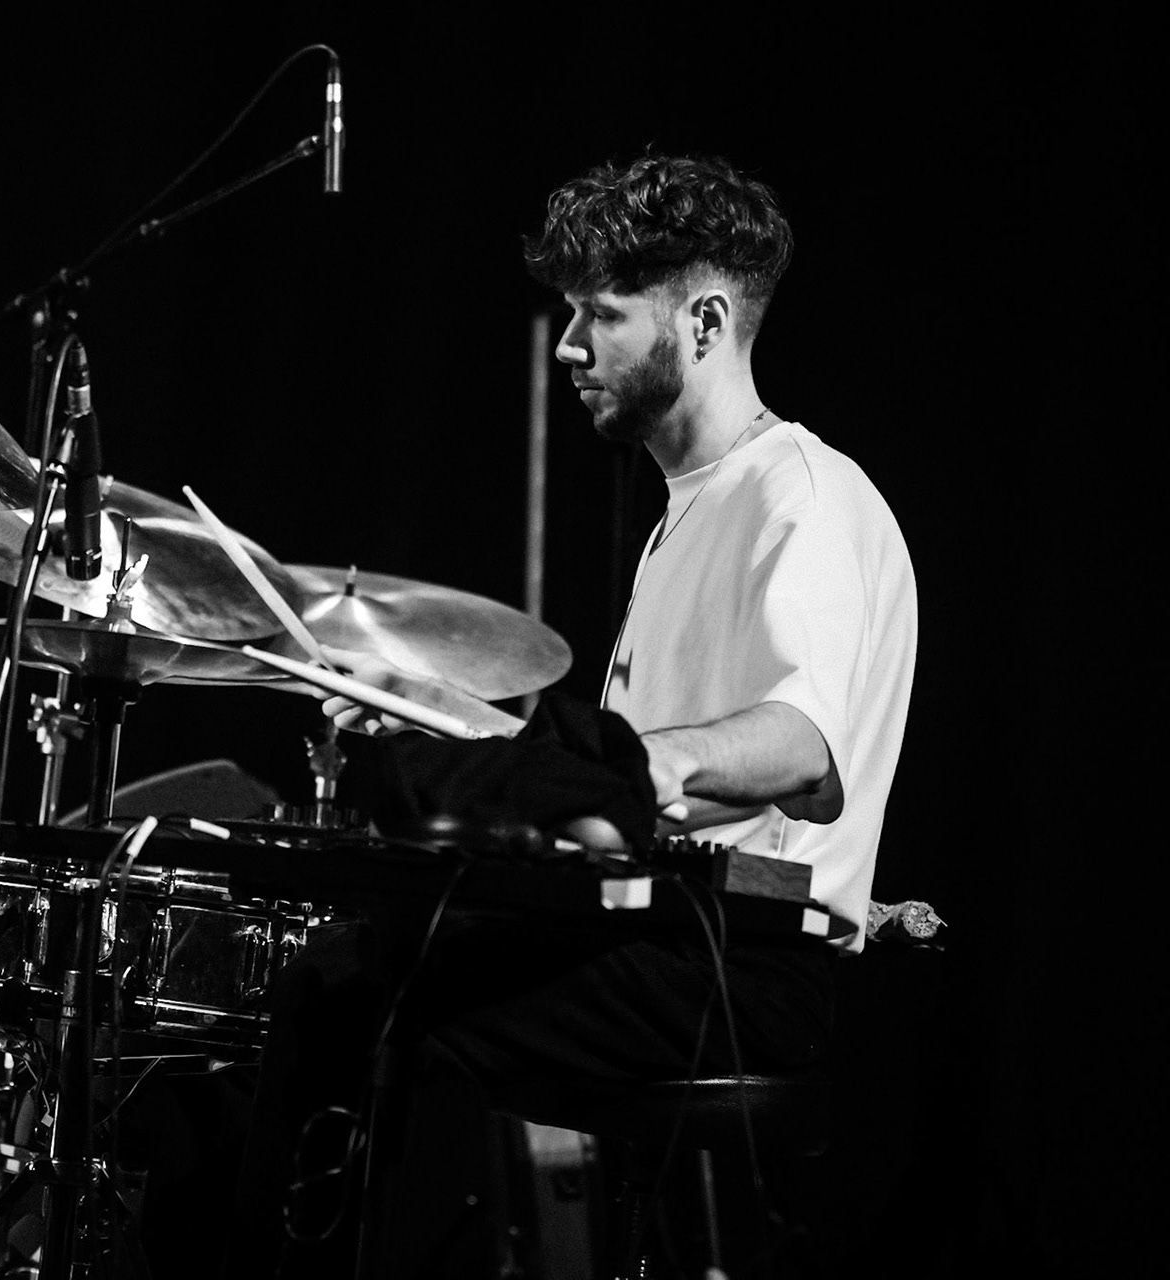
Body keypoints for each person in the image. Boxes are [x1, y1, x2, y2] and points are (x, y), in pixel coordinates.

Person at [220, 152, 917, 1278]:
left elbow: (804, 743)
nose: (568, 347)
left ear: (702, 318)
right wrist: (447, 726)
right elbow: (624, 805)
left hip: (737, 963)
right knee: (343, 974)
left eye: (602, 313)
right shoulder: (688, 513)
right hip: (661, 931)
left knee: (372, 1005)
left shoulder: (801, 494)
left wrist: (626, 769)